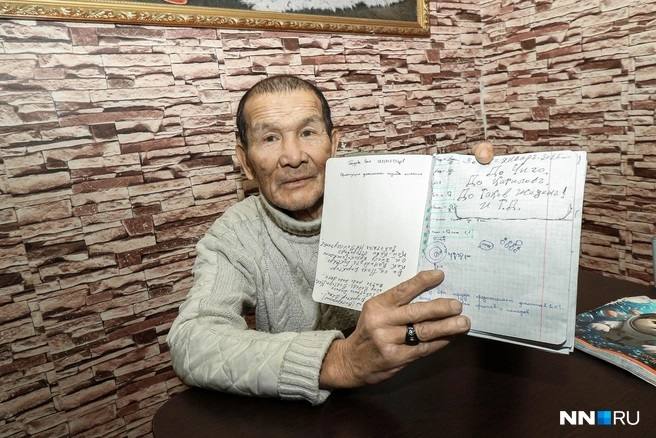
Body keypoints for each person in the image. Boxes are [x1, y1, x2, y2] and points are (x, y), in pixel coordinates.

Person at [167, 75, 495, 405]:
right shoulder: (237, 233)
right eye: (269, 138)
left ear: (334, 145)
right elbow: (192, 342)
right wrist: (339, 361)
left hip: (424, 390)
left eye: (308, 132)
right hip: (315, 414)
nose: (293, 156)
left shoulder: (388, 186)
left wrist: (485, 187)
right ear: (245, 162)